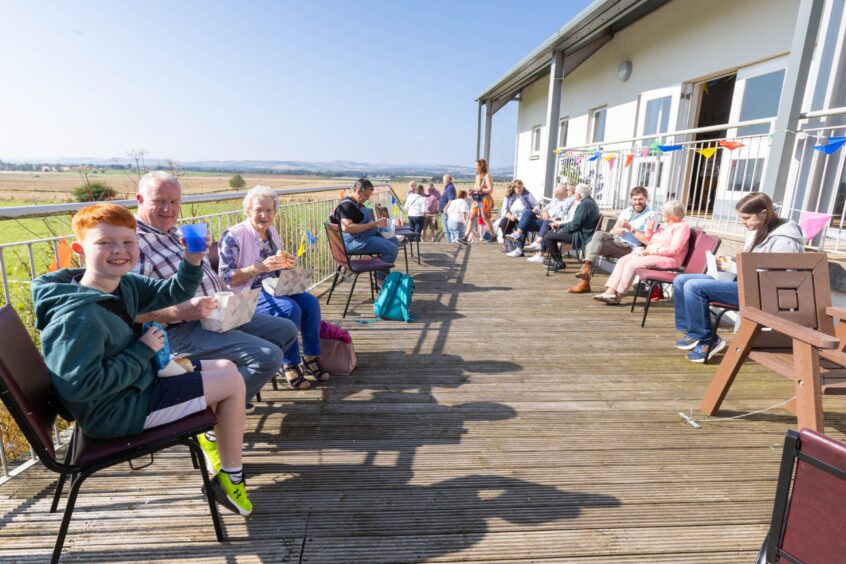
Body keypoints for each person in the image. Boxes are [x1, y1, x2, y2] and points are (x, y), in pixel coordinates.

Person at [32, 203, 253, 516]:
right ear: (80, 250)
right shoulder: (78, 317)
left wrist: (192, 259)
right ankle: (230, 479)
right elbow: (79, 388)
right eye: (104, 243)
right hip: (115, 413)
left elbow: (173, 291)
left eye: (127, 242)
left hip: (133, 388)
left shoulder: (121, 285)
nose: (119, 251)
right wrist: (143, 350)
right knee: (232, 382)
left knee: (228, 368)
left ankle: (216, 444)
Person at [133, 171, 297, 410]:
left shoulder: (178, 233)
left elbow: (211, 274)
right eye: (159, 201)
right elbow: (133, 310)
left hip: (218, 314)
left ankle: (228, 389)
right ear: (140, 200)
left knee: (287, 329)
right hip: (179, 330)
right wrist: (181, 312)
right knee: (268, 356)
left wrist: (231, 298)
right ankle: (217, 412)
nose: (168, 208)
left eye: (174, 201)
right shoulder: (134, 243)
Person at [218, 185, 330, 390]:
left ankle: (312, 356)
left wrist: (287, 264)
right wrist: (259, 268)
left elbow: (275, 268)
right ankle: (289, 362)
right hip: (245, 295)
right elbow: (225, 277)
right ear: (248, 211)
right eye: (259, 210)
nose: (264, 215)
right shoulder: (233, 235)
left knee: (311, 303)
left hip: (273, 287)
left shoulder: (272, 233)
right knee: (289, 309)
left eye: (269, 210)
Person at [673, 192, 805, 362]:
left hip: (762, 293)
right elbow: (754, 261)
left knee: (694, 287)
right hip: (746, 282)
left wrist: (734, 267)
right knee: (681, 280)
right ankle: (692, 331)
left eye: (746, 217)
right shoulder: (760, 228)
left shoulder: (786, 240)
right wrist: (732, 261)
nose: (742, 221)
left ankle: (708, 339)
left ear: (763, 213)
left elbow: (774, 278)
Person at [593, 200, 690, 305]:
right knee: (623, 260)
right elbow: (650, 241)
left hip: (669, 259)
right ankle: (610, 291)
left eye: (665, 212)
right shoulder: (665, 225)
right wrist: (649, 230)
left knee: (632, 264)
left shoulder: (682, 227)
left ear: (673, 214)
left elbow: (674, 250)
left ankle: (618, 296)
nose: (662, 213)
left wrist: (651, 251)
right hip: (652, 253)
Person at [568, 186, 652, 293]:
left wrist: (630, 228)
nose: (637, 202)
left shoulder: (650, 215)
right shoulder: (627, 211)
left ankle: (585, 280)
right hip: (616, 240)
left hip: (629, 247)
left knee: (591, 245)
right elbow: (613, 230)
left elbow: (646, 240)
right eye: (635, 199)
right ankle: (586, 269)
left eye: (640, 199)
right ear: (631, 199)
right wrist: (615, 230)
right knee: (597, 235)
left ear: (646, 199)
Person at [330, 178, 400, 282]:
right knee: (391, 249)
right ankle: (380, 279)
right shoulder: (347, 205)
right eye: (366, 195)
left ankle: (377, 265)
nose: (367, 199)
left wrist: (377, 227)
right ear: (359, 191)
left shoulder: (356, 202)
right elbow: (347, 227)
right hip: (353, 242)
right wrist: (370, 225)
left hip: (362, 237)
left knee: (394, 240)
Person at [542, 183, 601, 271]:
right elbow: (575, 223)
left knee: (548, 236)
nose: (575, 194)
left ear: (580, 194)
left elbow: (575, 225)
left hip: (581, 235)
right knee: (550, 233)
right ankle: (557, 261)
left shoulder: (585, 205)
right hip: (582, 232)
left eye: (576, 193)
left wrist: (562, 229)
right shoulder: (589, 202)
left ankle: (559, 262)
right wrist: (560, 225)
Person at [523, 183, 577, 263]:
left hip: (559, 224)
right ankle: (521, 245)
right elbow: (544, 209)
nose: (566, 191)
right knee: (527, 221)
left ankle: (539, 248)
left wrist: (551, 218)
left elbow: (565, 216)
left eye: (567, 190)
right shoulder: (557, 200)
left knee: (548, 226)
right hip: (548, 220)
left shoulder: (571, 201)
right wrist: (545, 213)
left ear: (572, 192)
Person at [499, 181, 539, 257]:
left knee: (523, 224)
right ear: (513, 188)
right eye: (518, 187)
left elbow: (536, 205)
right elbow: (504, 210)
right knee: (503, 222)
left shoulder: (527, 195)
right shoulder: (508, 197)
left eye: (521, 187)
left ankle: (518, 248)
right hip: (513, 217)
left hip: (526, 216)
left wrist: (535, 210)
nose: (520, 189)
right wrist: (510, 216)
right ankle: (509, 245)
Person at [458, 159, 495, 243]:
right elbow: (476, 188)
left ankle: (493, 236)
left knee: (485, 218)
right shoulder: (477, 177)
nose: (475, 168)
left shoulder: (487, 176)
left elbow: (490, 189)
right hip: (476, 199)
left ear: (481, 166)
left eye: (476, 166)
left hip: (484, 199)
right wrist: (472, 191)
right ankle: (465, 237)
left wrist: (481, 189)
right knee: (471, 217)